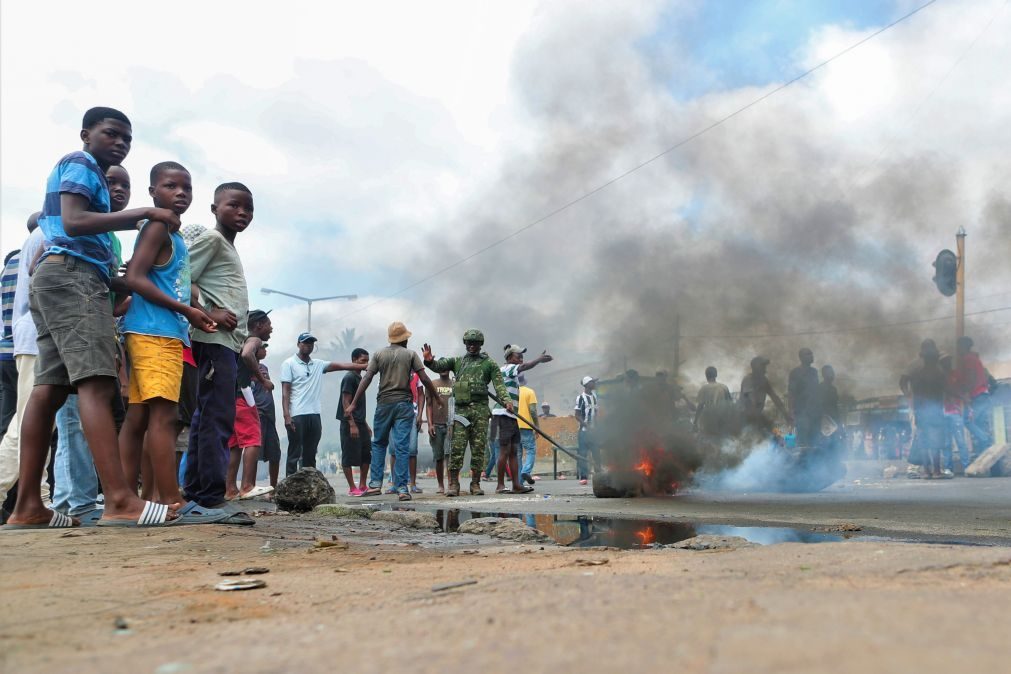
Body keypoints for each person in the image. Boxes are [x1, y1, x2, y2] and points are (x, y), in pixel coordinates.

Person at [6, 107, 188, 529]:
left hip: (65, 278)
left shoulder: (89, 175)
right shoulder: (80, 163)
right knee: (97, 383)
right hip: (72, 277)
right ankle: (120, 500)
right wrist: (143, 214)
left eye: (128, 138)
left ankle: (28, 507)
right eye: (112, 134)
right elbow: (73, 221)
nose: (121, 143)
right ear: (86, 134)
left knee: (50, 389)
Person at [118, 161, 225, 524]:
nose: (181, 193)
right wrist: (185, 310)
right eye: (170, 186)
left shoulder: (173, 235)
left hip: (159, 330)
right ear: (153, 192)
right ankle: (172, 500)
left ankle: (134, 500)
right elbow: (134, 276)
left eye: (187, 188)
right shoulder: (158, 226)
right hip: (154, 333)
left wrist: (193, 312)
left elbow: (162, 282)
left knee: (139, 417)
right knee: (163, 417)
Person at [184, 182, 254, 512]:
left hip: (223, 343)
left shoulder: (226, 244)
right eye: (234, 206)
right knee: (218, 418)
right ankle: (210, 495)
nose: (242, 212)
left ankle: (197, 491)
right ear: (214, 209)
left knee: (207, 416)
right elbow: (180, 277)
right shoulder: (212, 239)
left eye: (247, 208)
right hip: (214, 340)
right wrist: (207, 312)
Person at [347, 322, 439, 501]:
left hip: (384, 404)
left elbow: (366, 378)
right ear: (405, 339)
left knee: (379, 443)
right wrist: (435, 396)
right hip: (404, 405)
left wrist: (353, 402)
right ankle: (402, 488)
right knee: (402, 447)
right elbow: (425, 378)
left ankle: (374, 485)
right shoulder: (411, 354)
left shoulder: (379, 354)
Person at [422, 329, 511, 497]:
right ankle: (454, 484)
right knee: (457, 447)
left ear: (480, 345)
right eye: (469, 343)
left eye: (475, 343)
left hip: (480, 410)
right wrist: (429, 361)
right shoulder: (458, 362)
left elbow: (499, 385)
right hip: (460, 412)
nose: (472, 346)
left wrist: (506, 400)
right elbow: (439, 366)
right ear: (465, 344)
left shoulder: (489, 364)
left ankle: (475, 484)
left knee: (478, 448)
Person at [281, 331, 365, 475]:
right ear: (298, 344)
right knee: (295, 451)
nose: (308, 345)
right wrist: (286, 415)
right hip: (297, 414)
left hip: (314, 414)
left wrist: (363, 366)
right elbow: (285, 392)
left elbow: (341, 365)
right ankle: (290, 482)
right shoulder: (289, 364)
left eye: (311, 343)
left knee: (311, 451)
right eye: (305, 342)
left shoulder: (318, 364)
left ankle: (309, 483)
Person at [491, 344, 552, 494]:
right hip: (503, 415)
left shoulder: (509, 372)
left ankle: (516, 484)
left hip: (511, 416)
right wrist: (538, 360)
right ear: (510, 357)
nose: (521, 358)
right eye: (518, 356)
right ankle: (500, 485)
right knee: (504, 451)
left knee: (513, 451)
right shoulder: (507, 369)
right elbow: (525, 366)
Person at [226, 310, 274, 499]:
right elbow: (247, 355)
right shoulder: (254, 340)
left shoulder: (239, 339)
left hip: (230, 397)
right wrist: (264, 381)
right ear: (258, 325)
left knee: (235, 444)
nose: (272, 328)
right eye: (269, 324)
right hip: (242, 397)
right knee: (253, 438)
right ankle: (247, 486)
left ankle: (230, 490)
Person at [901, 340, 947, 479]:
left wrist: (908, 395)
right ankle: (935, 471)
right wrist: (908, 395)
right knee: (933, 441)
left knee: (925, 440)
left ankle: (928, 471)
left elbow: (902, 381)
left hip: (924, 409)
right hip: (929, 409)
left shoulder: (917, 366)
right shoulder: (936, 367)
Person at [339, 348, 371, 496]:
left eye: (367, 361)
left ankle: (363, 485)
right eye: (362, 361)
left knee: (366, 454)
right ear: (354, 360)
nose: (366, 364)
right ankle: (352, 488)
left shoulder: (361, 379)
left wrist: (365, 424)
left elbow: (359, 406)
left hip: (361, 422)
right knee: (348, 455)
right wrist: (351, 424)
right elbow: (346, 402)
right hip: (349, 423)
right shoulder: (349, 378)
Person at [252, 343, 281, 489]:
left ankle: (273, 488)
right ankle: (250, 486)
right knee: (254, 452)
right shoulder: (248, 367)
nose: (265, 350)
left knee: (275, 452)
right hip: (258, 414)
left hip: (269, 416)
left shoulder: (264, 367)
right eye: (262, 347)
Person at [956, 337, 991, 454]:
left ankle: (986, 440)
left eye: (959, 346)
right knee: (979, 425)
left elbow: (970, 379)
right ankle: (983, 454)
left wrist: (965, 393)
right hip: (983, 395)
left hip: (977, 395)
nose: (957, 349)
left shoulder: (968, 359)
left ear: (963, 347)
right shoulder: (974, 358)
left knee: (967, 420)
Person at [940, 355, 969, 475]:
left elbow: (960, 388)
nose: (947, 363)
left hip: (955, 412)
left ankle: (966, 467)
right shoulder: (939, 377)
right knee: (946, 443)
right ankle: (948, 469)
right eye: (944, 361)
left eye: (948, 361)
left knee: (960, 441)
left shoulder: (955, 375)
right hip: (943, 413)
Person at [740, 356, 791, 424]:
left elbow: (775, 398)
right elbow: (751, 400)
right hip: (745, 418)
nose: (765, 369)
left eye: (764, 366)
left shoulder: (764, 380)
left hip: (756, 417)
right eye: (763, 366)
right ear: (756, 367)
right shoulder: (748, 380)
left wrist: (786, 415)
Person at [426, 370, 453, 494]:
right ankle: (440, 485)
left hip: (451, 425)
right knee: (438, 457)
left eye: (446, 367)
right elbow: (429, 404)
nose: (443, 369)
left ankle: (451, 484)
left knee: (450, 456)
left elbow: (457, 405)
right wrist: (430, 424)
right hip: (436, 425)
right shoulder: (432, 384)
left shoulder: (454, 384)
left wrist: (454, 423)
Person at [788, 348, 821, 447]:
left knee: (814, 440)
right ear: (801, 357)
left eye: (811, 354)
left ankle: (814, 461)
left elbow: (817, 392)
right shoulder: (795, 373)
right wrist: (791, 412)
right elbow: (791, 393)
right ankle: (803, 461)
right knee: (803, 441)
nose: (811, 356)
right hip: (802, 412)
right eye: (808, 354)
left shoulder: (814, 372)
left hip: (814, 412)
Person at [694, 366, 732, 437]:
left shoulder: (704, 389)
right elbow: (730, 404)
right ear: (716, 375)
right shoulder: (724, 387)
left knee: (709, 440)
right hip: (722, 419)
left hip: (709, 420)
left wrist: (695, 421)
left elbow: (700, 406)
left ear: (706, 376)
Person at [574, 376, 599, 485]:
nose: (594, 384)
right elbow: (577, 415)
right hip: (584, 432)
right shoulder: (580, 398)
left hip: (594, 432)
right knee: (583, 454)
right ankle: (583, 477)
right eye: (592, 382)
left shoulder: (594, 397)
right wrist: (587, 425)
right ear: (586, 385)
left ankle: (599, 474)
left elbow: (596, 414)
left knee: (596, 453)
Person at [517, 374, 540, 485]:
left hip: (513, 427)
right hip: (526, 427)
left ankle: (519, 483)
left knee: (518, 454)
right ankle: (525, 471)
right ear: (524, 381)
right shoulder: (530, 392)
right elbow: (533, 411)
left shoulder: (511, 392)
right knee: (530, 451)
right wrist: (537, 426)